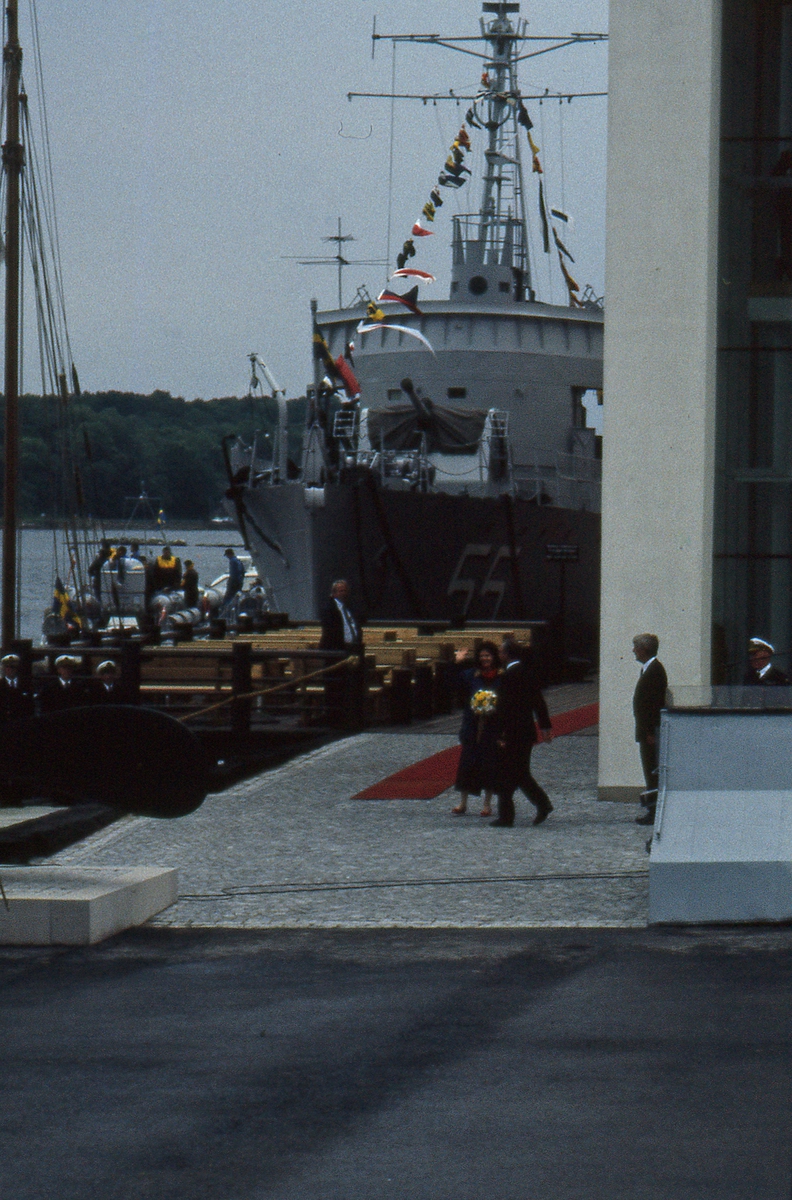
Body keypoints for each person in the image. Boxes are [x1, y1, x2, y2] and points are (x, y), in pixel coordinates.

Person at [493, 635, 553, 827]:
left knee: (509, 773)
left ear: (506, 654)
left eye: (501, 652)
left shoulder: (508, 676)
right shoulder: (527, 672)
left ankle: (508, 815)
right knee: (519, 773)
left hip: (512, 731)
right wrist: (545, 726)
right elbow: (538, 702)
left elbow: (505, 708)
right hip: (525, 730)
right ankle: (538, 805)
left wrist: (500, 732)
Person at [451, 641, 502, 817]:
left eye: (488, 656)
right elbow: (455, 684)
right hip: (472, 723)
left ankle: (487, 804)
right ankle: (463, 803)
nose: (485, 659)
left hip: (492, 724)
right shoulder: (471, 674)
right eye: (482, 656)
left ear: (493, 657)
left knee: (489, 764)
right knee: (467, 763)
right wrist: (457, 663)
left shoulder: (501, 676)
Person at [632, 633, 668, 826]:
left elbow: (652, 705)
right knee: (650, 770)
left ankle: (654, 812)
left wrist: (650, 732)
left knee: (652, 771)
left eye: (636, 647)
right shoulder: (650, 669)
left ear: (644, 649)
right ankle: (652, 810)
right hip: (647, 731)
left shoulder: (654, 672)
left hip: (650, 733)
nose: (634, 651)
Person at [319, 580, 364, 725]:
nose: (344, 593)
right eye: (341, 591)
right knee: (335, 686)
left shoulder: (348, 608)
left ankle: (350, 716)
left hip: (351, 650)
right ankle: (334, 718)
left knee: (349, 686)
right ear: (334, 593)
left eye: (345, 590)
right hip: (337, 652)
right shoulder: (330, 609)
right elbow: (331, 630)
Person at [0, 654, 33, 724]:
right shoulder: (1, 684)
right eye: (7, 667)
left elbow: (30, 706)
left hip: (21, 722)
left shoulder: (26, 685)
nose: (10, 670)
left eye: (13, 667)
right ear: (3, 668)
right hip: (3, 723)